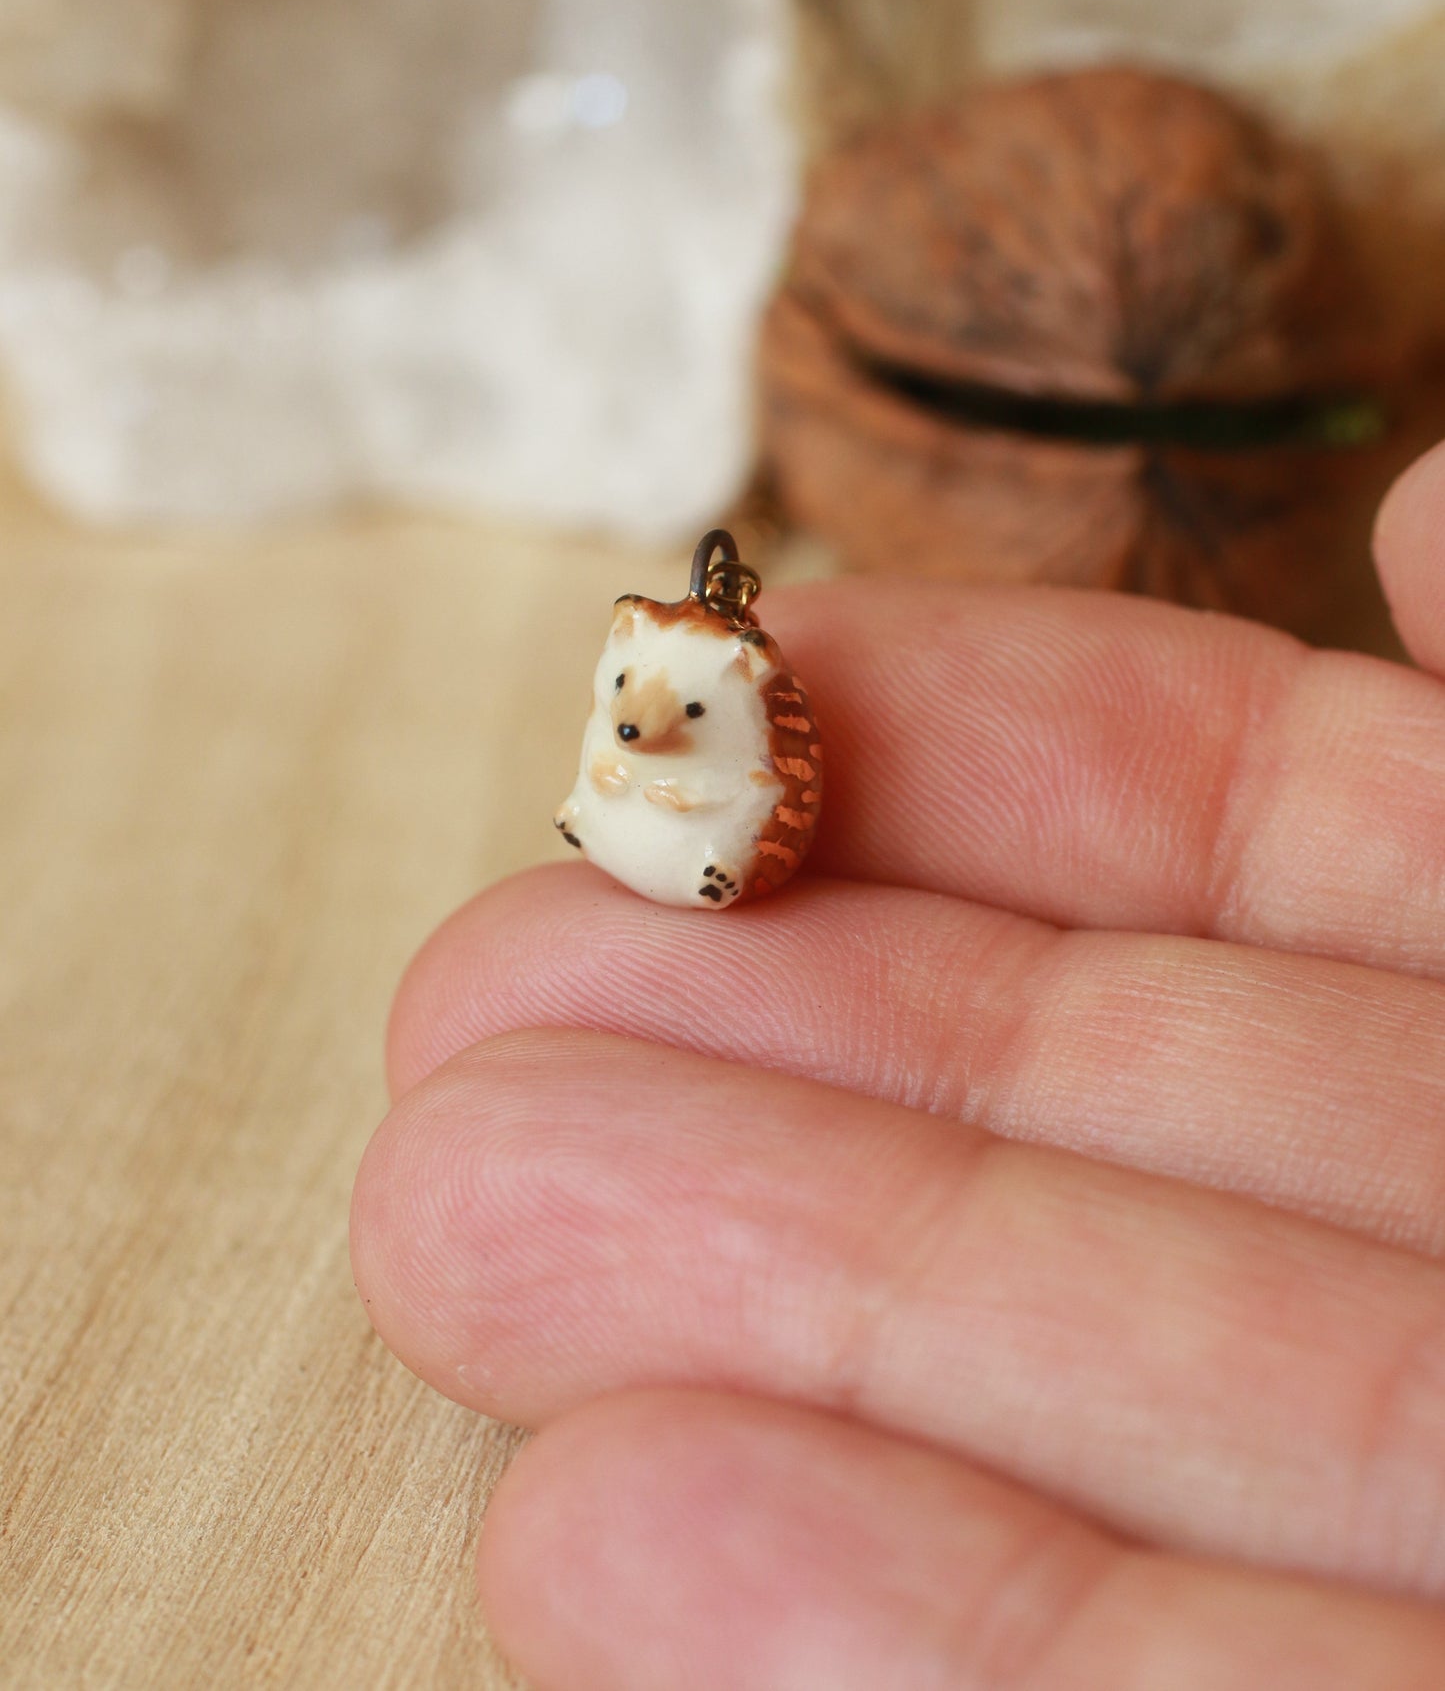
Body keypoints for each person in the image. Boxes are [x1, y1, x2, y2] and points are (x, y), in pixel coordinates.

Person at [352, 438, 1445, 1689]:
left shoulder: (748, 724)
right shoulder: (655, 689)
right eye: (632, 694)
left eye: (681, 712)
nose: (646, 723)